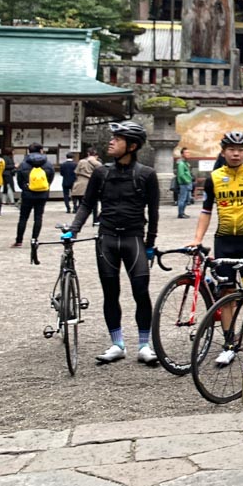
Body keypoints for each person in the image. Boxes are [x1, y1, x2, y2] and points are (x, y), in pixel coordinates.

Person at [69, 121, 161, 364]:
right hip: (106, 238)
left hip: (134, 239)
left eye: (117, 139)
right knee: (111, 294)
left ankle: (144, 345)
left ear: (131, 146)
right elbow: (87, 204)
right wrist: (73, 230)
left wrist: (150, 244)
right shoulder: (101, 172)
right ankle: (117, 344)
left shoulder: (147, 174)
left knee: (141, 293)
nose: (111, 141)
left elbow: (153, 212)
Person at [186, 130, 243, 366]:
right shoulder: (214, 177)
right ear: (223, 151)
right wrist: (197, 238)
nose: (236, 153)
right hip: (223, 240)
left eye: (241, 149)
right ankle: (229, 344)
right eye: (231, 149)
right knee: (225, 294)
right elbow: (206, 211)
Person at [13, 143, 55, 248]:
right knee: (38, 217)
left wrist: (25, 187)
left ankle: (19, 241)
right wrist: (45, 186)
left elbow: (19, 179)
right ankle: (34, 240)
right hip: (43, 193)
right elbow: (51, 177)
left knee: (23, 217)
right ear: (41, 150)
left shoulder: (24, 163)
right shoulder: (48, 164)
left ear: (29, 151)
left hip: (28, 193)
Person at [73, 147, 102, 225]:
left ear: (88, 153)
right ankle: (95, 220)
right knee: (94, 204)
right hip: (92, 183)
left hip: (81, 183)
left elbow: (76, 172)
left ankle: (78, 221)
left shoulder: (81, 162)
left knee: (82, 203)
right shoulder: (98, 163)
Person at [175, 150, 195, 218]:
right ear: (182, 154)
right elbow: (181, 174)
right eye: (186, 153)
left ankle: (183, 212)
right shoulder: (181, 164)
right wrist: (187, 181)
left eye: (189, 152)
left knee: (187, 199)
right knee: (182, 199)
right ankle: (180, 213)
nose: (188, 154)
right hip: (184, 184)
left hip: (188, 183)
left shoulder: (185, 163)